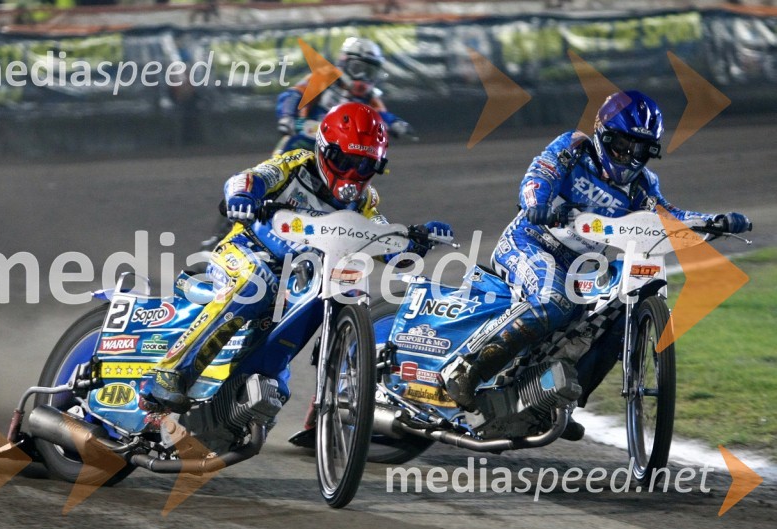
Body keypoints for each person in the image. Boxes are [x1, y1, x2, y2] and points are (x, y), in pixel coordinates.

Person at [441, 90, 752, 436]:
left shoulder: (643, 186)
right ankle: (466, 371)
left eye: (640, 150)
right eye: (622, 145)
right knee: (552, 300)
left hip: (582, 267)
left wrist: (714, 221)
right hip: (530, 243)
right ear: (603, 134)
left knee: (620, 316)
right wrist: (537, 204)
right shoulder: (572, 149)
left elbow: (668, 217)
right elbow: (536, 179)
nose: (629, 157)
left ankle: (556, 403)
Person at [142, 103, 451, 413]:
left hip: (303, 276)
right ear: (324, 151)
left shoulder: (365, 200)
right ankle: (171, 372)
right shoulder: (296, 165)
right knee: (254, 284)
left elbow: (383, 239)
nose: (353, 174)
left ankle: (323, 409)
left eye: (365, 166)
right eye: (345, 161)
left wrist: (415, 242)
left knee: (343, 299)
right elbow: (250, 177)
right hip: (246, 250)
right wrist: (243, 197)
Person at [274, 36, 415, 154]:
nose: (363, 78)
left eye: (370, 72)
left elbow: (380, 115)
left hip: (341, 151)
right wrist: (287, 117)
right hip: (307, 136)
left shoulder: (369, 97)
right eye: (358, 69)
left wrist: (395, 122)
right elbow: (293, 95)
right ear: (344, 63)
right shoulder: (324, 78)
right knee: (279, 170)